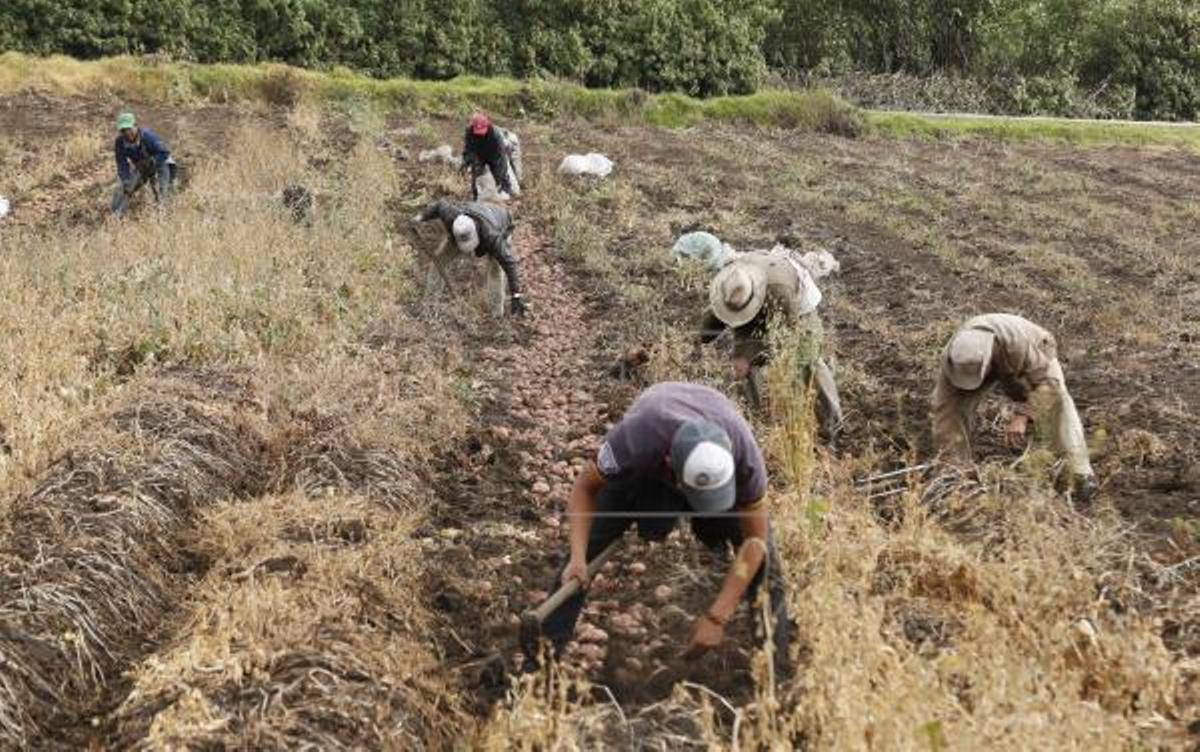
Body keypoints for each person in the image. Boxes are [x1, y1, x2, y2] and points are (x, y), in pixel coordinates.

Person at [541, 382, 791, 668]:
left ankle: (775, 675)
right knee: (586, 551)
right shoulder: (638, 438)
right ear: (671, 466)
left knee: (767, 566)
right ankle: (539, 666)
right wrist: (577, 556)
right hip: (647, 476)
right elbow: (584, 489)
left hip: (702, 473)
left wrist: (717, 615)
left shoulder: (746, 460)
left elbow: (754, 543)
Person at [932, 313, 1098, 500]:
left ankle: (1079, 472)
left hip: (1033, 349)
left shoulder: (1021, 345)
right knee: (952, 412)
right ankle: (956, 474)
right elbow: (945, 409)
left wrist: (1022, 416)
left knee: (1058, 401)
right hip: (993, 357)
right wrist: (950, 465)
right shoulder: (952, 357)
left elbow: (1049, 385)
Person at [700, 251, 844, 436]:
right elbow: (714, 318)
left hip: (799, 310)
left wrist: (782, 372)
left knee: (807, 363)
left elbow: (790, 332)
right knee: (742, 364)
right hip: (758, 302)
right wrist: (703, 338)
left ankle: (832, 421)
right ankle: (757, 421)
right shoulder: (730, 283)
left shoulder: (780, 290)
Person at [413, 198, 527, 317]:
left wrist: (516, 295)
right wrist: (419, 218)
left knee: (495, 270)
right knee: (439, 262)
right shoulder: (452, 217)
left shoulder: (493, 237)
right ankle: (430, 303)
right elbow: (439, 205)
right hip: (474, 214)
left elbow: (509, 263)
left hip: (500, 222)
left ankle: (496, 313)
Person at [111, 112, 174, 216]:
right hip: (140, 168)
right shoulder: (120, 142)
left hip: (160, 164)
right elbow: (121, 163)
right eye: (123, 130)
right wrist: (126, 179)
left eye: (129, 129)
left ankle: (163, 215)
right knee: (123, 189)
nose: (127, 133)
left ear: (135, 126)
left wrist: (152, 161)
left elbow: (165, 152)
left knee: (161, 192)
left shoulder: (148, 137)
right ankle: (116, 216)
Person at [461, 113, 522, 200]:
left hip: (505, 148)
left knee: (512, 185)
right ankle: (476, 196)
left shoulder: (496, 135)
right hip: (483, 152)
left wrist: (500, 181)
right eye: (478, 132)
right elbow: (468, 150)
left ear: (487, 126)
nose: (480, 134)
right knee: (476, 171)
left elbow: (501, 161)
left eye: (482, 131)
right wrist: (465, 164)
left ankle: (511, 192)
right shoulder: (469, 132)